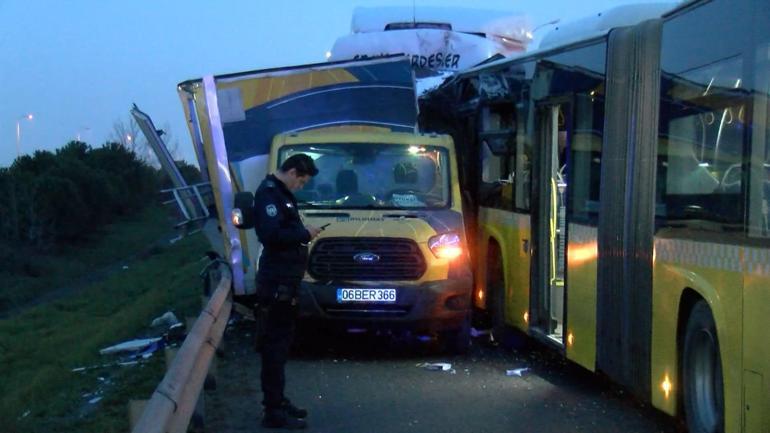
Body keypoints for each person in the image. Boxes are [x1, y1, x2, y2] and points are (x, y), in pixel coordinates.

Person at [253, 153, 321, 429]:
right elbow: (270, 235)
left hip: (285, 282)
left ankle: (278, 401)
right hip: (277, 284)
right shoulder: (270, 195)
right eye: (301, 181)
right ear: (292, 172)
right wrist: (305, 234)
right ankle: (273, 411)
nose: (300, 187)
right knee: (274, 348)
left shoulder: (280, 194)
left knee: (280, 347)